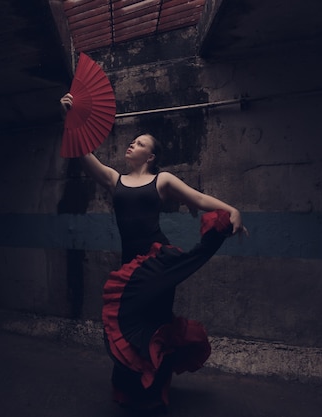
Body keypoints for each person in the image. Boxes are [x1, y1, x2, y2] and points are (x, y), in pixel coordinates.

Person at [60, 93, 248, 412]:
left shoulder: (162, 179)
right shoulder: (114, 180)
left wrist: (232, 210)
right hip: (130, 269)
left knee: (156, 327)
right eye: (132, 141)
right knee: (125, 328)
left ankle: (155, 391)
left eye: (140, 143)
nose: (131, 144)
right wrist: (71, 117)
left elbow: (200, 200)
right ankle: (130, 389)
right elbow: (82, 154)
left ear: (151, 156)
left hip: (158, 265)